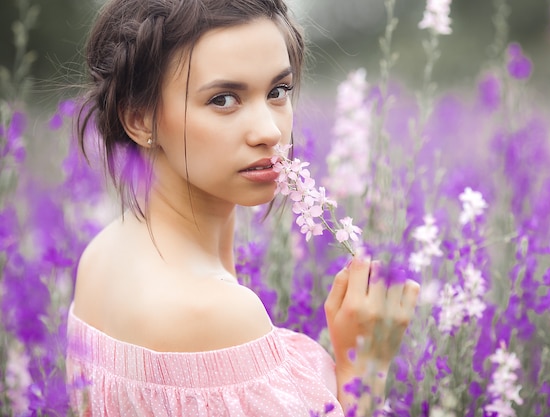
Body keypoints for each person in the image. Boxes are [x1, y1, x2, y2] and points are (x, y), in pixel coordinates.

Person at [65, 0, 421, 416]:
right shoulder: (215, 313)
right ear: (140, 119)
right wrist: (367, 365)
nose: (269, 131)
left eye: (277, 92)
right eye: (223, 100)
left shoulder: (104, 254)